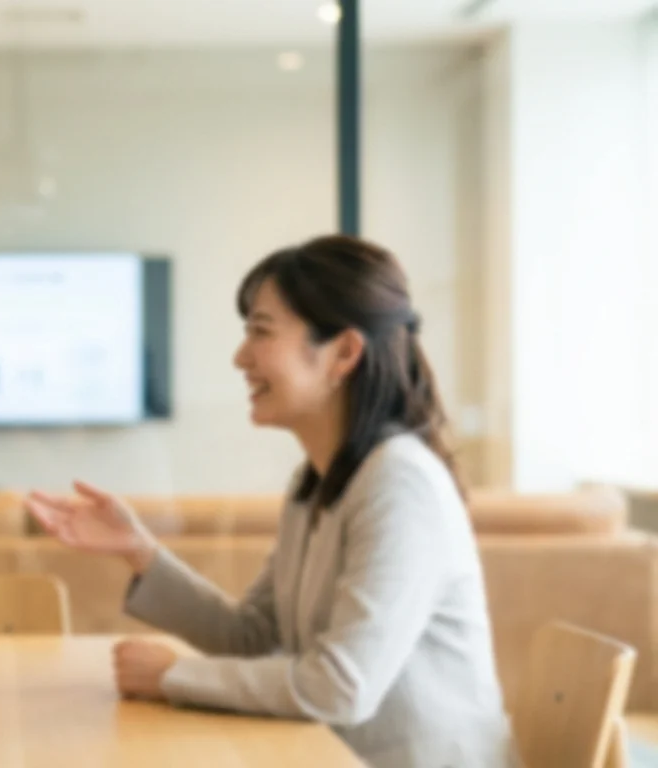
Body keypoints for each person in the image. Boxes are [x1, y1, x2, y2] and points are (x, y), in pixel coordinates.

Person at [25, 235, 517, 767]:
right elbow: (254, 637)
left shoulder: (399, 483)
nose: (241, 357)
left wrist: (172, 677)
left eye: (261, 332)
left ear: (344, 353)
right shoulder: (318, 480)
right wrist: (140, 550)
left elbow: (340, 687)